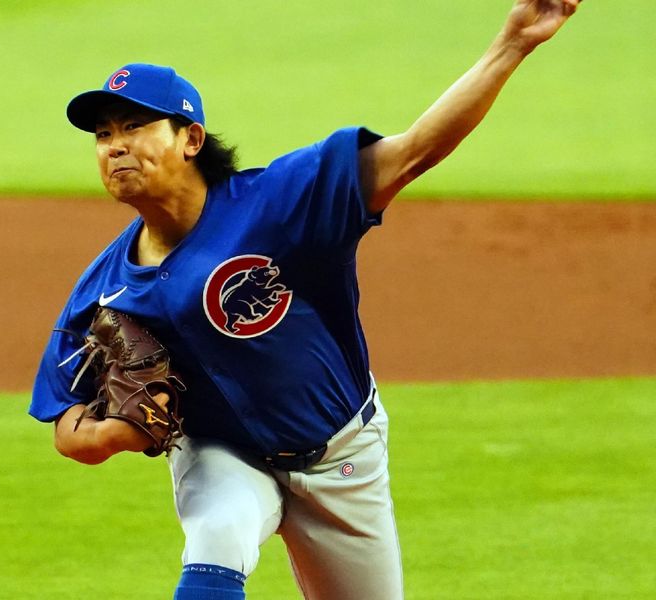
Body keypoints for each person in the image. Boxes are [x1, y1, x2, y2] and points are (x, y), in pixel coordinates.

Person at [29, 2, 583, 598]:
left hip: (343, 453)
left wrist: (512, 44)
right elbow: (66, 422)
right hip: (225, 454)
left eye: (135, 126)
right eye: (104, 134)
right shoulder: (103, 290)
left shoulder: (281, 201)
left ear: (190, 139)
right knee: (216, 539)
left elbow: (416, 149)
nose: (115, 146)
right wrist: (116, 433)